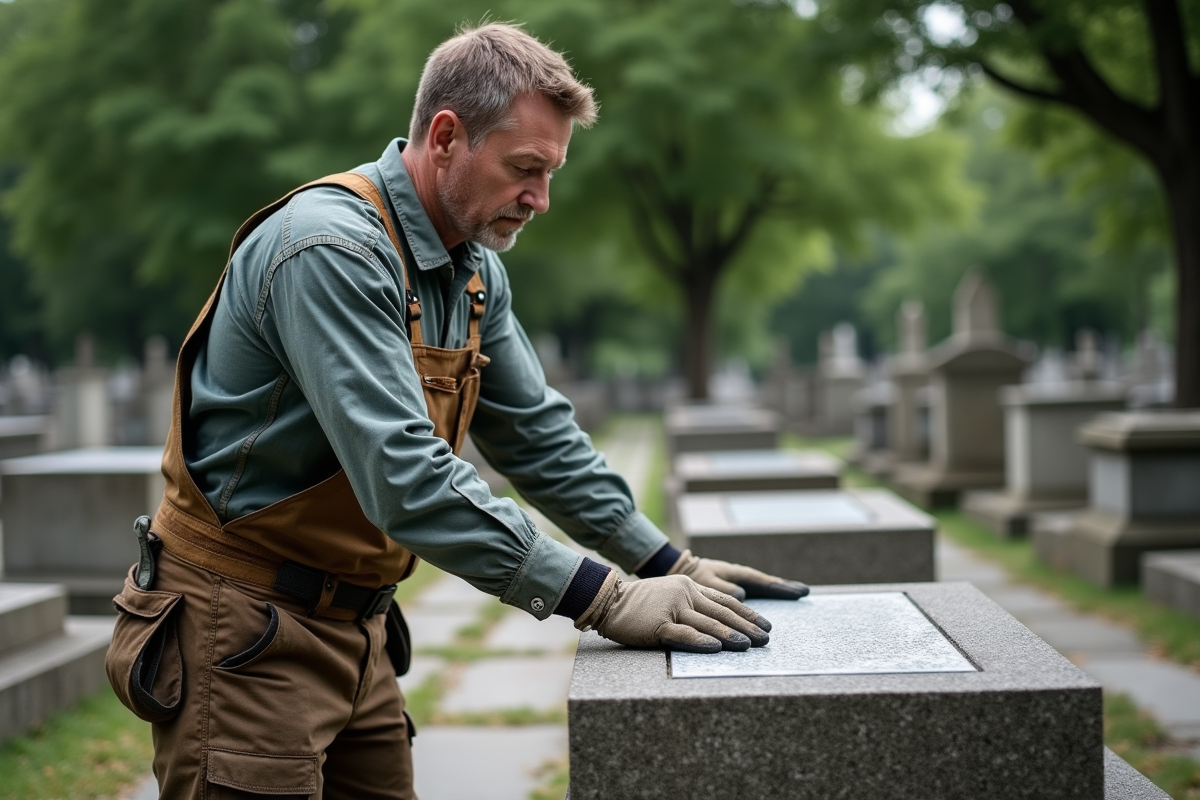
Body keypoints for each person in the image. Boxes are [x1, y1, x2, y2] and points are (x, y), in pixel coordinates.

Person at [105, 22, 808, 799]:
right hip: (242, 634)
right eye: (525, 168)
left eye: (551, 173)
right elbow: (405, 478)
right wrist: (604, 598)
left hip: (359, 631)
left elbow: (539, 439)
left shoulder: (472, 272)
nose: (540, 199)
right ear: (446, 136)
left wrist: (667, 564)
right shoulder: (329, 251)